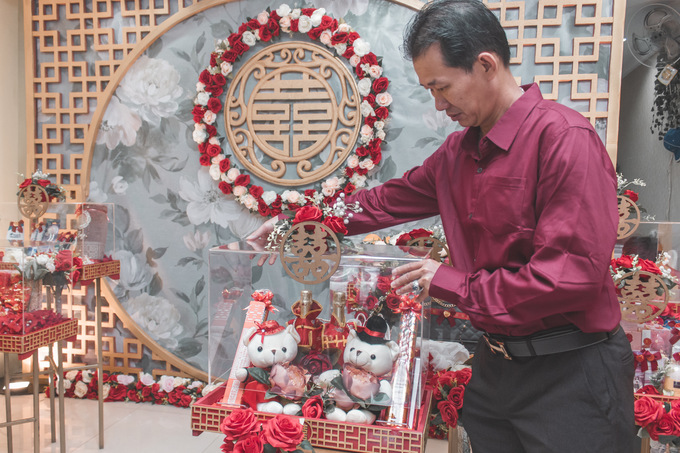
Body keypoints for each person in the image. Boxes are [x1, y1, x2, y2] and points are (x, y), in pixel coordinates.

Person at [249, 1, 634, 451]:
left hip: (571, 371)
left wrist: (448, 281)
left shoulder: (564, 140)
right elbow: (380, 202)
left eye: (442, 87)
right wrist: (295, 223)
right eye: (429, 90)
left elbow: (569, 278)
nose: (437, 104)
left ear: (485, 64)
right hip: (495, 364)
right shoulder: (456, 154)